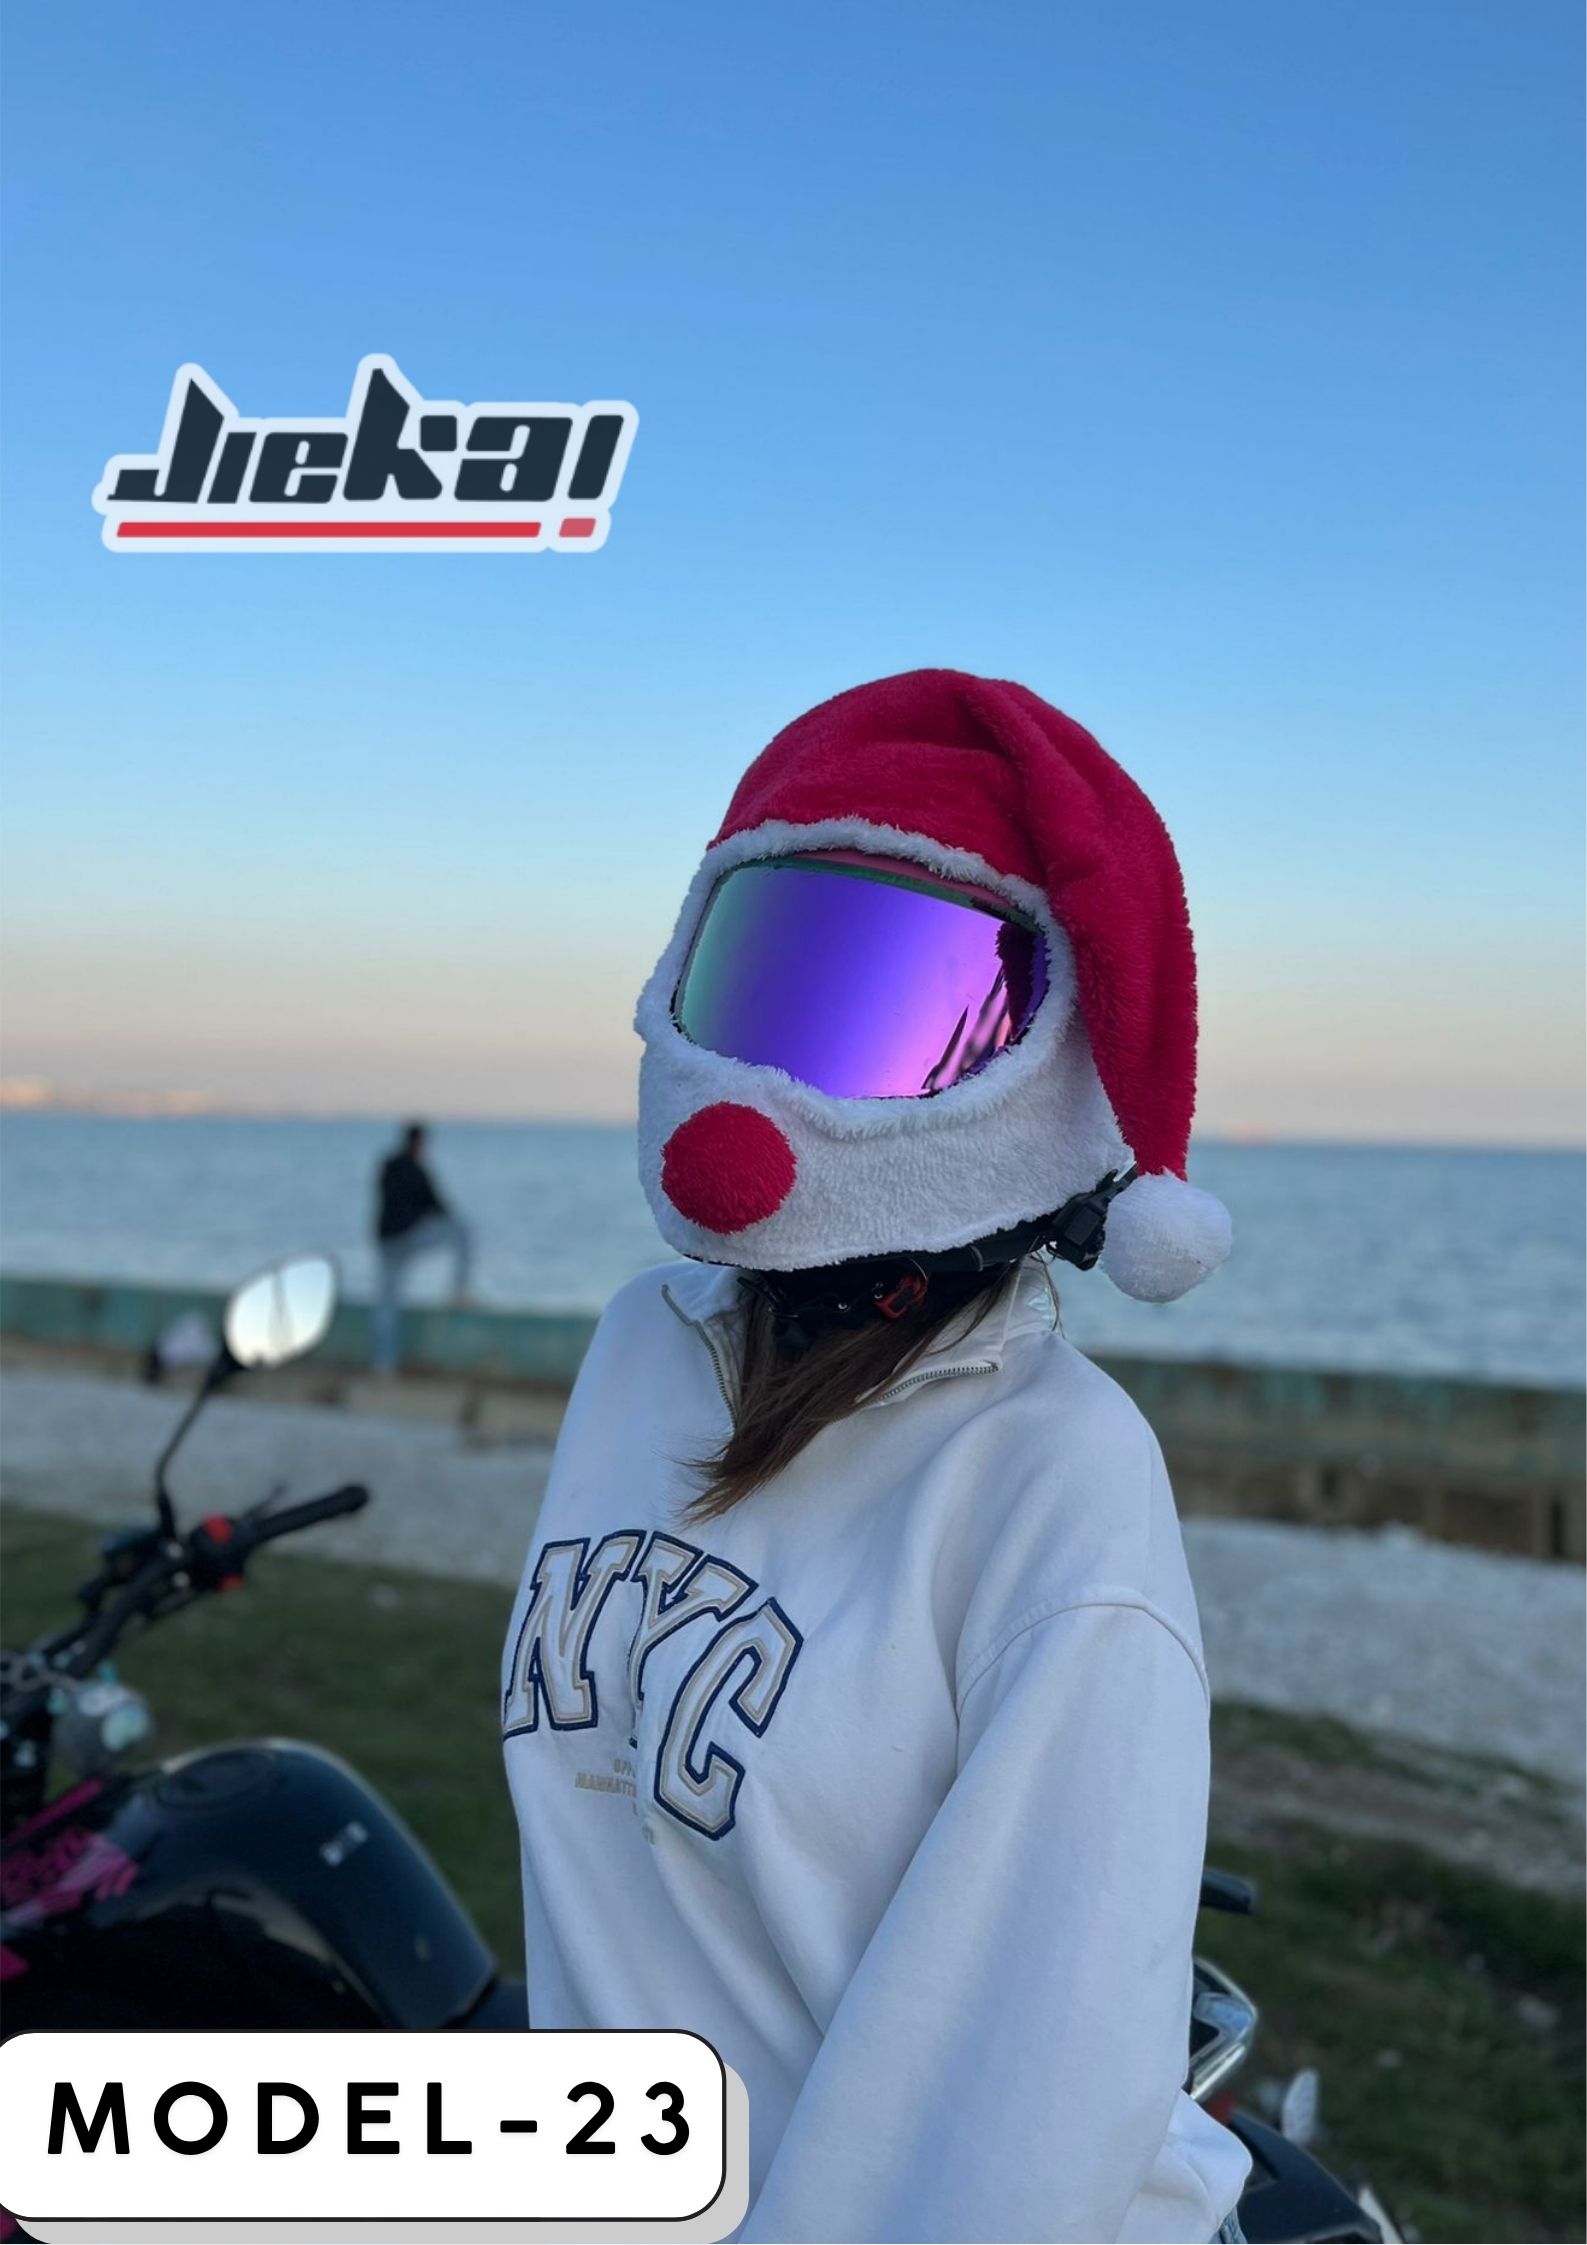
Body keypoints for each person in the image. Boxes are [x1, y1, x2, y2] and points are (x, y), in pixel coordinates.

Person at [501, 670, 1250, 2243]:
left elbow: (1014, 2128)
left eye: (901, 1015)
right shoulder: (644, 1348)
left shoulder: (1050, 1482)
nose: (780, 1083)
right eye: (765, 975)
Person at [371, 1122, 471, 1374]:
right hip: (404, 1240)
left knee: (387, 1301)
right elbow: (437, 1205)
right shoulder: (416, 1169)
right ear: (419, 1142)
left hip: (386, 1241)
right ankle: (458, 1290)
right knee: (462, 1231)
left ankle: (383, 1363)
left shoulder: (389, 1165)